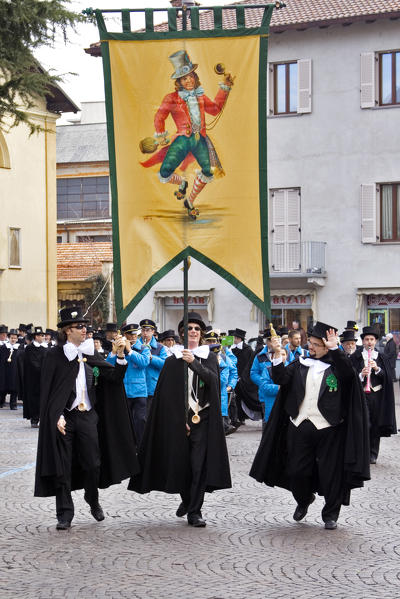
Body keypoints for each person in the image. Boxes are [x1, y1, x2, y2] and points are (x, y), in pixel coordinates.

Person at [250, 322, 370, 531]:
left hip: (329, 428)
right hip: (299, 425)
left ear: (326, 346)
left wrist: (335, 349)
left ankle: (330, 514)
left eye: (315, 344)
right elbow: (280, 378)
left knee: (330, 473)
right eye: (310, 343)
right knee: (297, 471)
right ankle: (304, 499)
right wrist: (278, 356)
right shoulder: (300, 363)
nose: (311, 347)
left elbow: (349, 376)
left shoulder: (338, 366)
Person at [34, 306, 139, 530]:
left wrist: (120, 355)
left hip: (88, 416)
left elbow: (113, 378)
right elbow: (48, 391)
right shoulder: (54, 355)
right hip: (66, 418)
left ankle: (92, 499)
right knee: (62, 467)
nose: (85, 330)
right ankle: (65, 514)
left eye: (85, 326)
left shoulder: (91, 352)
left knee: (93, 464)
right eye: (80, 327)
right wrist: (55, 416)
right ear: (67, 331)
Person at [129, 311, 231, 528]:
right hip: (179, 421)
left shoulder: (209, 357)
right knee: (182, 465)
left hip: (202, 418)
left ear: (201, 334)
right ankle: (187, 499)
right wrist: (177, 419)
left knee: (198, 466)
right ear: (182, 333)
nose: (193, 332)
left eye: (196, 329)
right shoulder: (172, 361)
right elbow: (165, 396)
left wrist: (194, 363)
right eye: (189, 329)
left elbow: (214, 383)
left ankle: (195, 511)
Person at [140, 50, 234, 220]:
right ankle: (182, 182)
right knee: (165, 171)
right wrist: (160, 134)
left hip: (200, 139)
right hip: (182, 140)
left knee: (208, 171)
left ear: (195, 77)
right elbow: (159, 116)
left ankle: (189, 201)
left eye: (191, 76)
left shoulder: (200, 96)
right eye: (184, 78)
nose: (189, 80)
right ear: (179, 82)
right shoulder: (171, 98)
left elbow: (215, 109)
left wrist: (225, 89)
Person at [350, 326, 397, 464]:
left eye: (372, 339)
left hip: (377, 395)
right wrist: (360, 375)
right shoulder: (356, 357)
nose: (369, 342)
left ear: (375, 341)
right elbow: (349, 376)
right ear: (363, 341)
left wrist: (377, 369)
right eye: (366, 339)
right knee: (364, 424)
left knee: (375, 424)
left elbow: (388, 377)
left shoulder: (381, 357)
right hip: (361, 395)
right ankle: (362, 452)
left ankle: (373, 453)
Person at [107, 323, 150, 445]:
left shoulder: (143, 348)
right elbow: (108, 366)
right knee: (124, 421)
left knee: (140, 420)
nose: (133, 337)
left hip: (139, 392)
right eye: (130, 334)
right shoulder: (119, 346)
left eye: (135, 334)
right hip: (123, 391)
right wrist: (114, 352)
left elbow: (144, 362)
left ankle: (140, 447)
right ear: (124, 335)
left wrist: (130, 351)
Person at [138, 319, 168, 413]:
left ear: (153, 331)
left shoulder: (159, 347)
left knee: (150, 416)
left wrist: (151, 358)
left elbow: (164, 364)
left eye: (148, 330)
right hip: (137, 386)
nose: (145, 333)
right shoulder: (135, 345)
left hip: (152, 386)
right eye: (143, 330)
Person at [23, 326, 47, 427]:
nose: (43, 337)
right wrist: (41, 369)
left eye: (43, 335)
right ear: (36, 337)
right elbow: (32, 362)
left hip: (43, 378)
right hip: (32, 379)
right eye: (41, 335)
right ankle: (34, 419)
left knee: (43, 398)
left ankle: (42, 417)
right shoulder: (29, 348)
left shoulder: (45, 349)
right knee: (33, 399)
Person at [258, 347, 288, 428]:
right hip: (271, 406)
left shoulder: (291, 370)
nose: (281, 356)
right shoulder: (268, 370)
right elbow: (264, 387)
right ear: (273, 356)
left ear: (287, 356)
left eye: (283, 354)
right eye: (279, 354)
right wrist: (279, 388)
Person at [2, 329, 23, 410]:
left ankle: (13, 404)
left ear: (17, 339)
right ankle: (1, 401)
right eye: (11, 338)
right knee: (3, 387)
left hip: (15, 371)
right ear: (9, 338)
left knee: (15, 389)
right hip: (5, 371)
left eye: (15, 338)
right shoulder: (3, 348)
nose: (13, 339)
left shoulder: (19, 349)